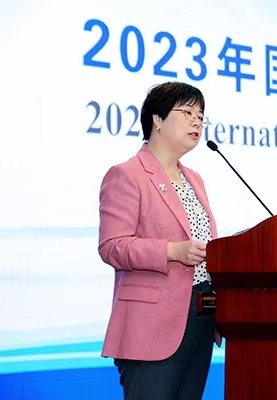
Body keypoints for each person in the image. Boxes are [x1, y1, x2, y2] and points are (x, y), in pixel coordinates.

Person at [98, 81, 220, 400]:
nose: (197, 121)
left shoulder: (195, 179)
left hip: (201, 315)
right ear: (157, 120)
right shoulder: (127, 175)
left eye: (201, 115)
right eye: (188, 112)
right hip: (150, 323)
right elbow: (112, 246)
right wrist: (172, 251)